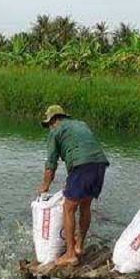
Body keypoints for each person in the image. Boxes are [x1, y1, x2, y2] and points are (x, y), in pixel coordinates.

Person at [37, 105, 109, 266]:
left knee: (68, 208)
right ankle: (79, 247)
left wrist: (45, 186)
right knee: (85, 205)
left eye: (49, 124)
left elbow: (50, 164)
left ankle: (70, 254)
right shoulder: (81, 124)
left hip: (82, 166)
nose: (49, 128)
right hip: (100, 164)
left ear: (54, 120)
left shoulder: (56, 131)